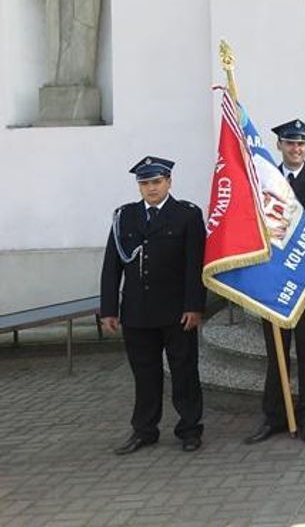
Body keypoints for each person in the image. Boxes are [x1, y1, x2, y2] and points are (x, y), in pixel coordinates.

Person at [99, 156, 206, 454]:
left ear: (169, 182)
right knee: (144, 374)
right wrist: (109, 309)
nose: (151, 188)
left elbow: (194, 264)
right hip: (137, 311)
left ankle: (189, 428)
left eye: (156, 182)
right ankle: (144, 430)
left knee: (184, 371)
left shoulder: (187, 215)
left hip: (176, 311)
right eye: (144, 183)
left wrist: (194, 306)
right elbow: (112, 266)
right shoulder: (125, 216)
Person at [244, 120, 305, 446]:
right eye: (289, 144)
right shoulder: (263, 182)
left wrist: (296, 262)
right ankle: (275, 417)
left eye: (301, 144)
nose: (296, 149)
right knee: (276, 354)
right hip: (272, 284)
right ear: (280, 146)